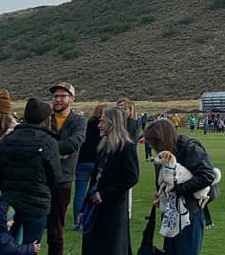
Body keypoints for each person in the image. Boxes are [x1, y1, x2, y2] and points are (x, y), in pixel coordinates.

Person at [144, 119, 215, 255]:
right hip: (172, 214)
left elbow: (207, 175)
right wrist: (163, 196)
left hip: (189, 213)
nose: (152, 147)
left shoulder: (190, 148)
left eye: (154, 143)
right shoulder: (164, 155)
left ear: (161, 139)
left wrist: (178, 190)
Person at [0, 97, 60, 248]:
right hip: (36, 203)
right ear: (45, 119)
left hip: (10, 200)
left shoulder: (8, 139)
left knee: (7, 246)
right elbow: (55, 176)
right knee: (31, 245)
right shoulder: (48, 142)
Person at [80, 106, 138, 255]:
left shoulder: (126, 147)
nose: (99, 125)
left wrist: (106, 194)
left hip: (114, 208)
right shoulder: (103, 146)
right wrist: (84, 206)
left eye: (103, 122)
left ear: (113, 124)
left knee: (112, 246)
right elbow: (95, 178)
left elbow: (131, 177)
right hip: (96, 205)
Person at [46, 83, 86, 255]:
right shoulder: (45, 119)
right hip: (41, 179)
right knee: (31, 224)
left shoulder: (79, 121)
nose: (58, 99)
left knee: (56, 229)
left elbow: (73, 144)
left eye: (63, 96)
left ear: (72, 98)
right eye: (55, 96)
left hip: (63, 180)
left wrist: (47, 149)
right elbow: (37, 142)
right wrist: (58, 152)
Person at [73, 104, 104, 230]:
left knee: (79, 192)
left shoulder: (85, 124)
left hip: (82, 160)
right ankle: (90, 218)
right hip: (96, 161)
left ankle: (77, 222)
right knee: (94, 192)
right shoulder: (103, 127)